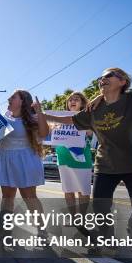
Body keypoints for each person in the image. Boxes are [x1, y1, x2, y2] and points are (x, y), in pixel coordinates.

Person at [48, 68, 132, 257]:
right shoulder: (94, 109)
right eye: (101, 77)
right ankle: (107, 242)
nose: (102, 79)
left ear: (123, 81)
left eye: (108, 76)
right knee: (101, 206)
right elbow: (71, 120)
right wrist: (46, 116)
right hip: (105, 164)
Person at [0, 90, 49, 237]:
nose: (9, 99)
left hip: (25, 160)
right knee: (7, 197)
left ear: (23, 101)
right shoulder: (3, 117)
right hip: (6, 159)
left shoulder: (33, 118)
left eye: (13, 97)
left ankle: (41, 230)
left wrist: (40, 112)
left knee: (29, 197)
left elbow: (44, 134)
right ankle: (5, 229)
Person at [53, 92, 92, 222]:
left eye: (76, 99)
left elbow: (92, 133)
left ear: (82, 103)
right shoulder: (59, 118)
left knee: (83, 191)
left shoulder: (87, 116)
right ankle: (73, 218)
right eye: (70, 100)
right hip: (63, 158)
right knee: (68, 190)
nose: (72, 101)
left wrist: (87, 130)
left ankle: (82, 218)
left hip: (81, 159)